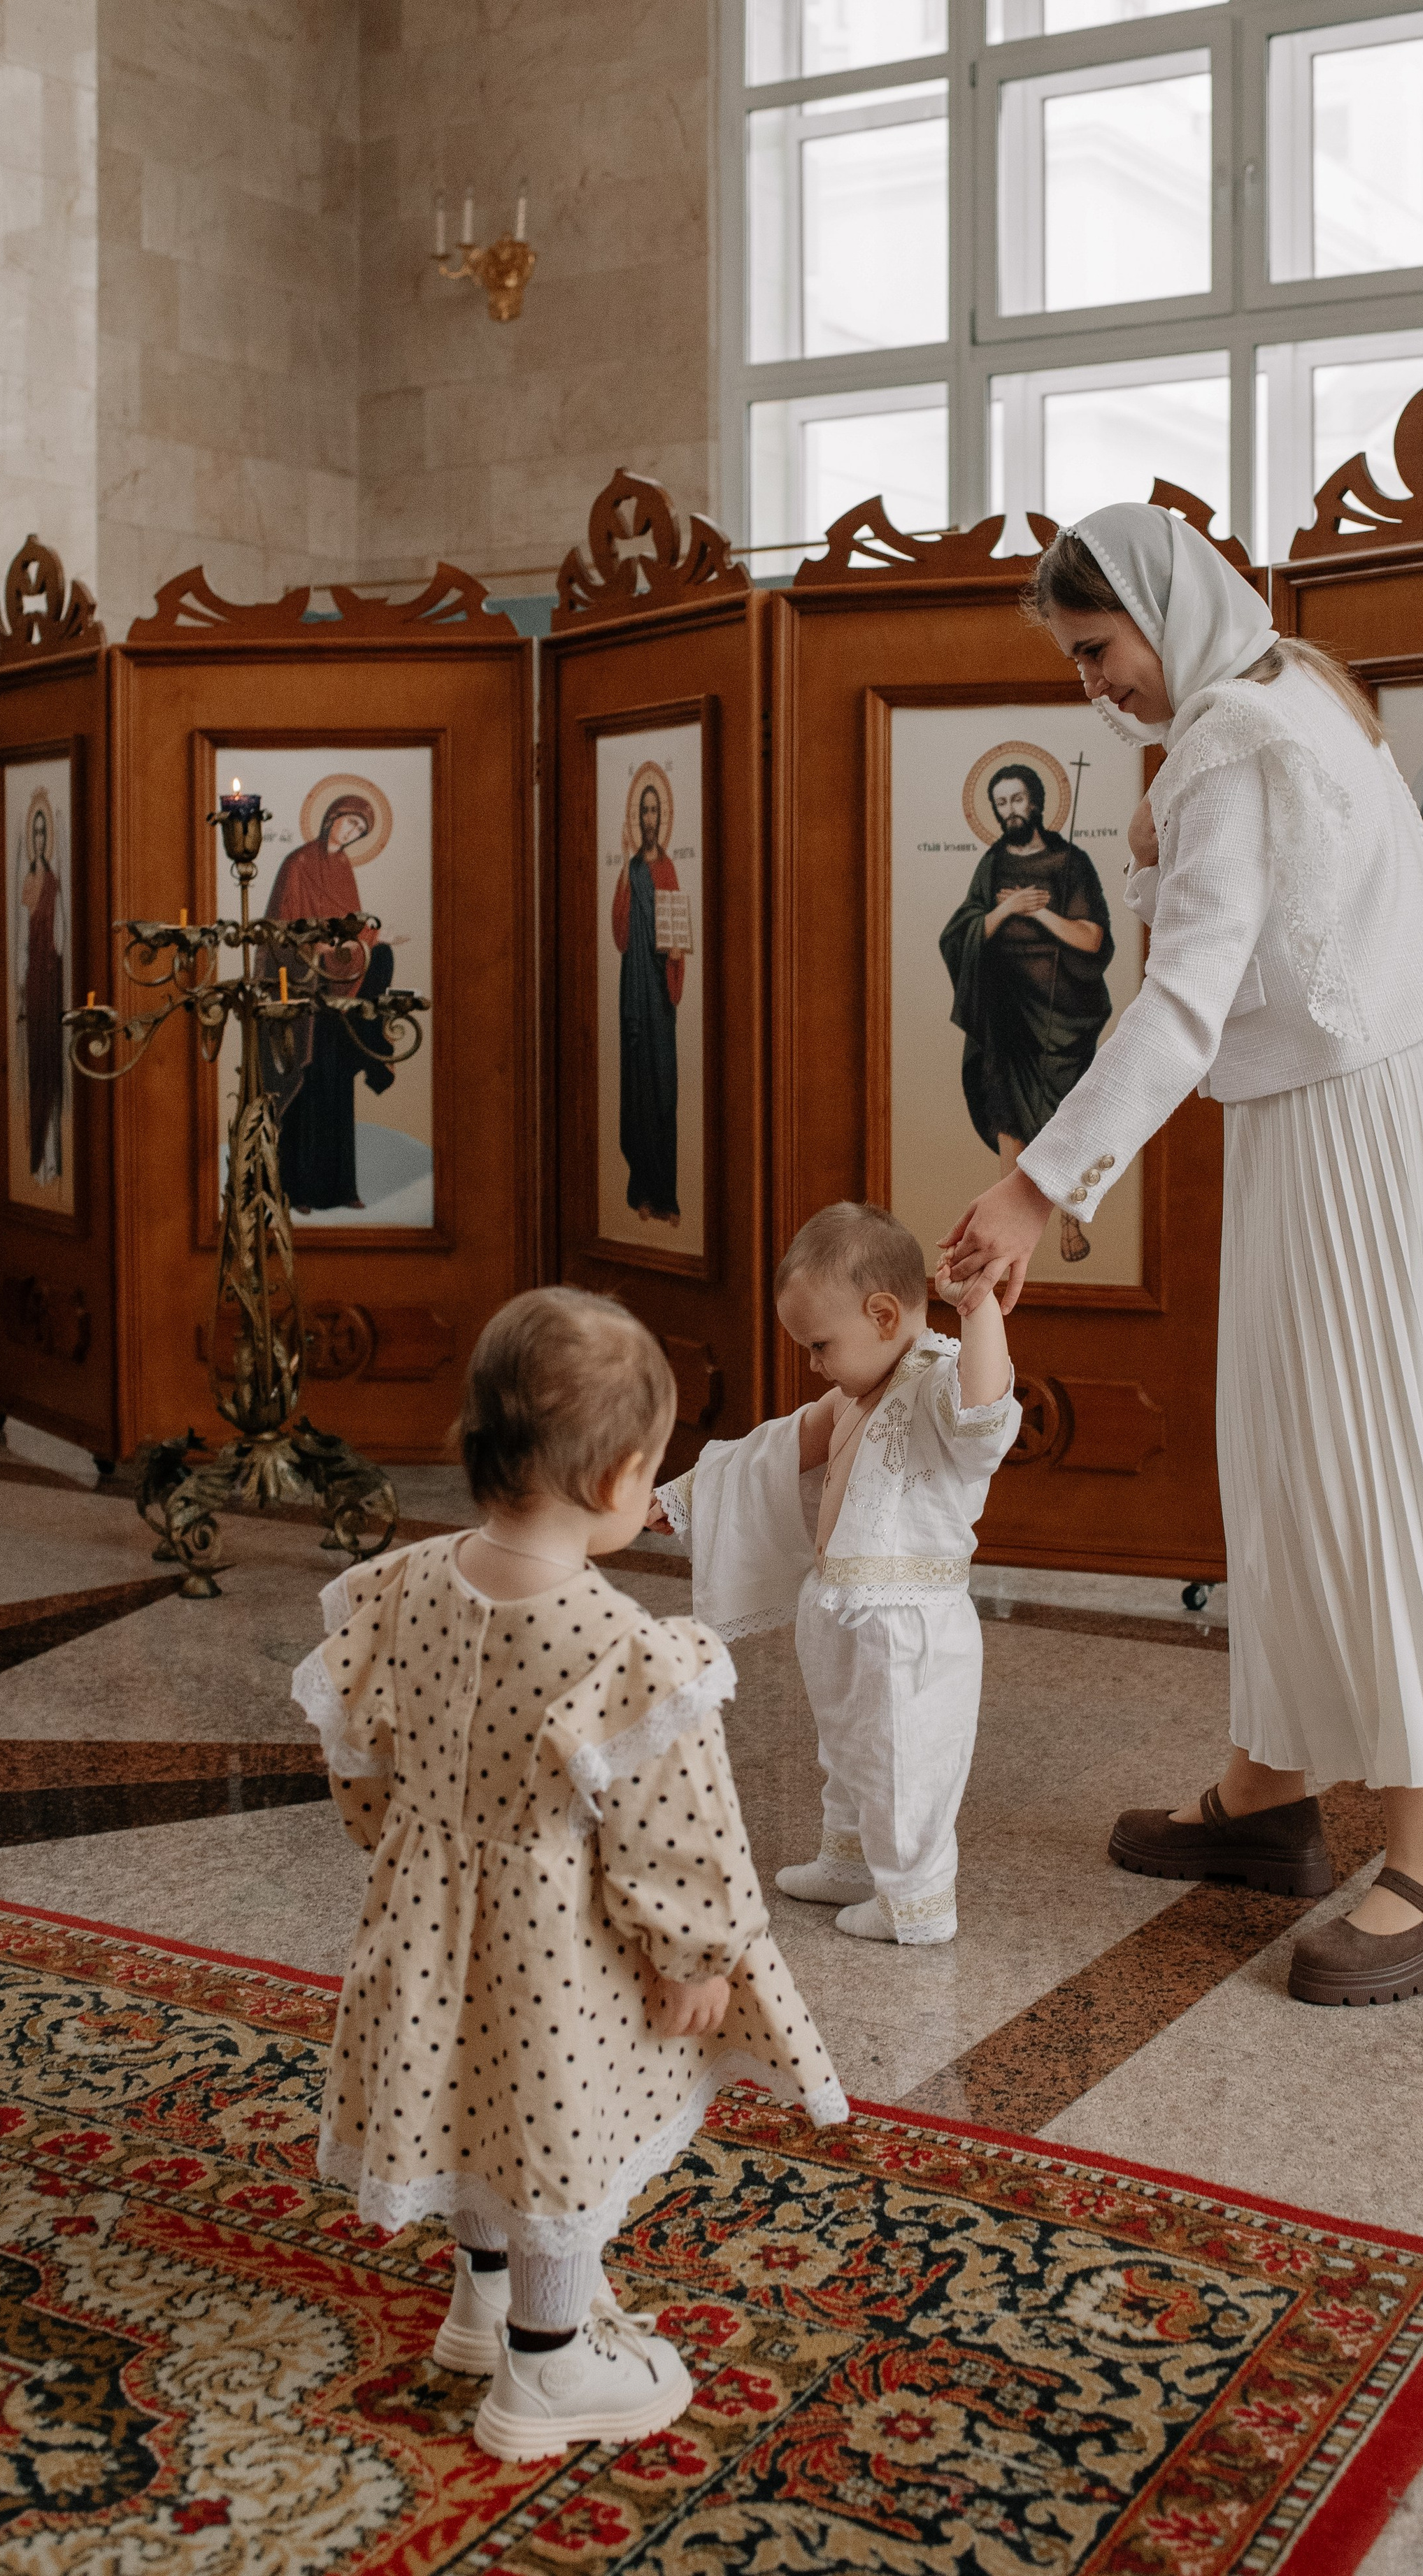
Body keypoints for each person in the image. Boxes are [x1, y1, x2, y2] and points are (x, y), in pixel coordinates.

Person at [941, 503, 1423, 2008]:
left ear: (1164, 614)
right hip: (1354, 1120)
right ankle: (1267, 1787)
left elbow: (1182, 1004)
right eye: (1076, 662)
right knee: (1294, 1451)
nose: (1092, 687)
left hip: (1346, 1132)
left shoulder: (1234, 732)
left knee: (1368, 1460)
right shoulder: (1296, 693)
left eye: (1098, 650)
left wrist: (1036, 1190)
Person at [291, 1288, 845, 2461]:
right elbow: (680, 1834)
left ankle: (482, 2299)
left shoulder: (403, 1590)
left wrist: (412, 1854)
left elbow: (361, 1762)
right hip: (560, 1954)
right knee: (558, 2128)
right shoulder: (624, 1650)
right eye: (652, 1474)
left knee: (470, 2090)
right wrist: (697, 1957)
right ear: (612, 1486)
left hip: (429, 1922)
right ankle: (545, 2370)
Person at [650, 1202, 1019, 1947]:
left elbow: (986, 1416)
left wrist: (977, 1310)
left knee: (901, 1756)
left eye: (820, 1344)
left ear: (884, 1314)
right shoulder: (854, 1393)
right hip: (845, 1607)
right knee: (848, 1745)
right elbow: (778, 1448)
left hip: (906, 1618)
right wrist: (687, 1495)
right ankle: (850, 1861)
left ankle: (916, 1901)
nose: (813, 1363)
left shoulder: (941, 1378)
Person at [939, 761, 1113, 1265]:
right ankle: (1009, 1224)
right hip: (1004, 1013)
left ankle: (1070, 1218)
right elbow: (960, 934)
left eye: (1017, 799)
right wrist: (1006, 910)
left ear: (1035, 801)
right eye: (1001, 803)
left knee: (1068, 1114)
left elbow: (1093, 937)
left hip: (1062, 1013)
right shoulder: (991, 865)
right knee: (1008, 1114)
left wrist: (1038, 911)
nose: (1009, 810)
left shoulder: (1071, 862)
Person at [259, 793, 380, 1214]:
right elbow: (281, 932)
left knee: (336, 1090)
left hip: (337, 992)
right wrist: (322, 947)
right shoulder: (298, 864)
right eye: (350, 823)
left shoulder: (342, 868)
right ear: (332, 818)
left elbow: (354, 921)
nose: (351, 834)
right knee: (305, 1089)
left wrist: (363, 938)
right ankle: (300, 1191)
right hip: (302, 995)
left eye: (360, 831)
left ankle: (342, 1189)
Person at [612, 781, 684, 1225]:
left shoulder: (667, 868)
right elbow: (621, 935)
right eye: (645, 812)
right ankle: (640, 1190)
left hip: (659, 991)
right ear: (638, 821)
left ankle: (667, 1196)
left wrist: (676, 952)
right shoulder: (633, 869)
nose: (651, 819)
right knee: (637, 1092)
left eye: (656, 811)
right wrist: (623, 864)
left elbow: (676, 925)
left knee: (664, 1091)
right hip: (633, 989)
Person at [18, 801, 65, 1183]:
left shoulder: (53, 884)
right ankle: (37, 1156)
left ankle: (52, 1155)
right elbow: (20, 938)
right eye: (35, 833)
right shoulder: (28, 883)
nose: (39, 839)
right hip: (33, 984)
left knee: (51, 1067)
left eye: (43, 833)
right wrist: (21, 985)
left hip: (51, 984)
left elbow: (62, 937)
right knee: (36, 1068)